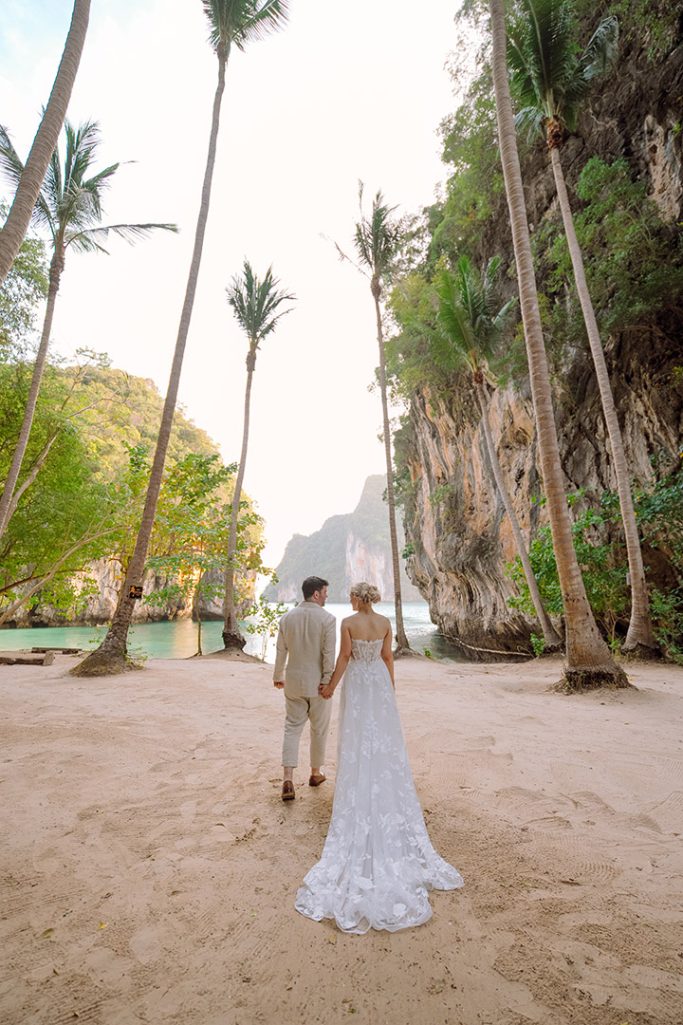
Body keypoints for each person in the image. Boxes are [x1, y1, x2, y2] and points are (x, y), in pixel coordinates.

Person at [295, 581, 463, 933]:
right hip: (378, 685)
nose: (352, 599)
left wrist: (329, 688)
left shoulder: (348, 623)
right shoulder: (385, 623)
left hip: (357, 683)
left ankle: (359, 788)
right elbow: (388, 659)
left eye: (352, 595)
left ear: (356, 598)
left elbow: (344, 658)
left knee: (357, 741)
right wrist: (390, 689)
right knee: (384, 743)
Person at [273, 576, 337, 802]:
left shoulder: (287, 618)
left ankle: (288, 779)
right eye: (325, 593)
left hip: (293, 681)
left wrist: (278, 675)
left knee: (291, 728)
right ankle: (315, 773)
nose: (327, 596)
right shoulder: (328, 619)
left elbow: (281, 650)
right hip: (318, 683)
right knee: (319, 729)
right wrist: (328, 681)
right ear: (317, 594)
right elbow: (329, 654)